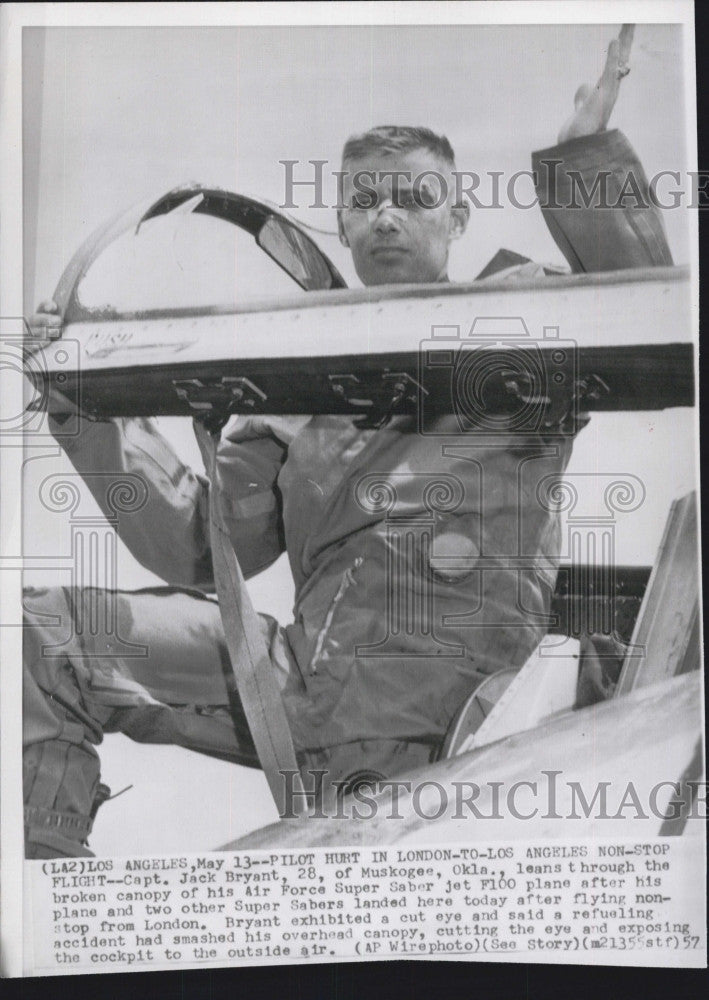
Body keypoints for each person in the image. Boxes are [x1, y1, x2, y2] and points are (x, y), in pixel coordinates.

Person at [23, 27, 672, 857]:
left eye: (412, 197)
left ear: (458, 215)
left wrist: (583, 152)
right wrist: (83, 400)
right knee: (49, 636)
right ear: (340, 223)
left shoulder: (526, 320)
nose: (387, 217)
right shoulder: (291, 388)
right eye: (364, 202)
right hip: (307, 686)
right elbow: (193, 544)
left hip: (467, 706)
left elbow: (640, 294)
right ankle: (45, 903)